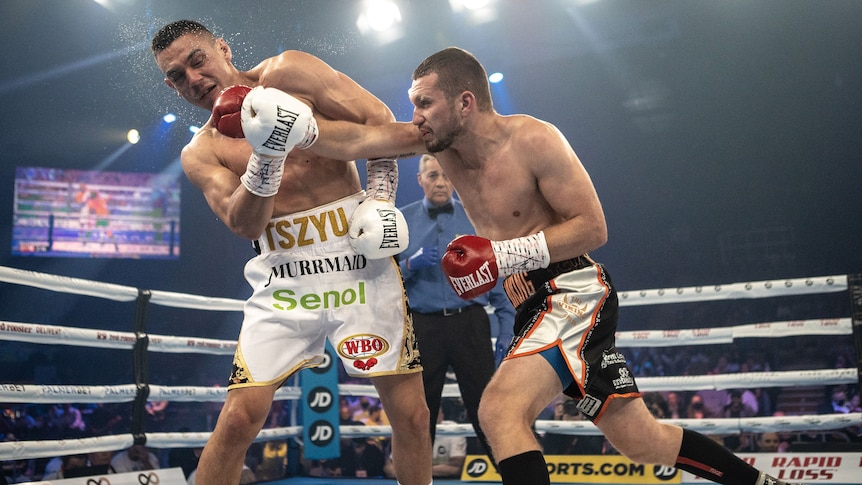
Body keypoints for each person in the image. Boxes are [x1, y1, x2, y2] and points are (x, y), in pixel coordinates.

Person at [300, 46, 802, 485]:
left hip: (573, 292)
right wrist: (281, 125)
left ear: (465, 103)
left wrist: (502, 255)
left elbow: (593, 227)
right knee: (641, 441)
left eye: (425, 102)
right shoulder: (439, 144)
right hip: (530, 306)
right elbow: (354, 142)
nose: (417, 115)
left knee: (498, 409)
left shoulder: (535, 141)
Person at [150, 20, 431, 485]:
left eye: (197, 60)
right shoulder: (201, 151)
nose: (193, 79)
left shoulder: (289, 71)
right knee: (238, 420)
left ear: (222, 48)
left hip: (358, 263)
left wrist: (379, 199)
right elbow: (244, 224)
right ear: (170, 86)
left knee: (413, 416)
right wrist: (268, 152)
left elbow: (377, 122)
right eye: (178, 75)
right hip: (283, 277)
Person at [399, 153, 515, 461]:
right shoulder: (400, 221)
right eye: (433, 175)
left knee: (488, 410)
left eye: (446, 175)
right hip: (423, 326)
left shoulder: (476, 218)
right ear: (420, 180)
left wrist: (507, 331)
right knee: (419, 414)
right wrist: (409, 264)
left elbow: (498, 276)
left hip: (471, 323)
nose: (440, 182)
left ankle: (513, 477)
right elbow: (381, 279)